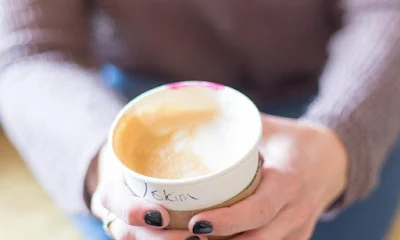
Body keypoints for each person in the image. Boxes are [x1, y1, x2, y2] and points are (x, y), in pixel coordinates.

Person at [0, 0, 399, 239]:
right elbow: (31, 52)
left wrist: (342, 136)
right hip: (122, 109)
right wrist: (100, 159)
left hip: (337, 89)